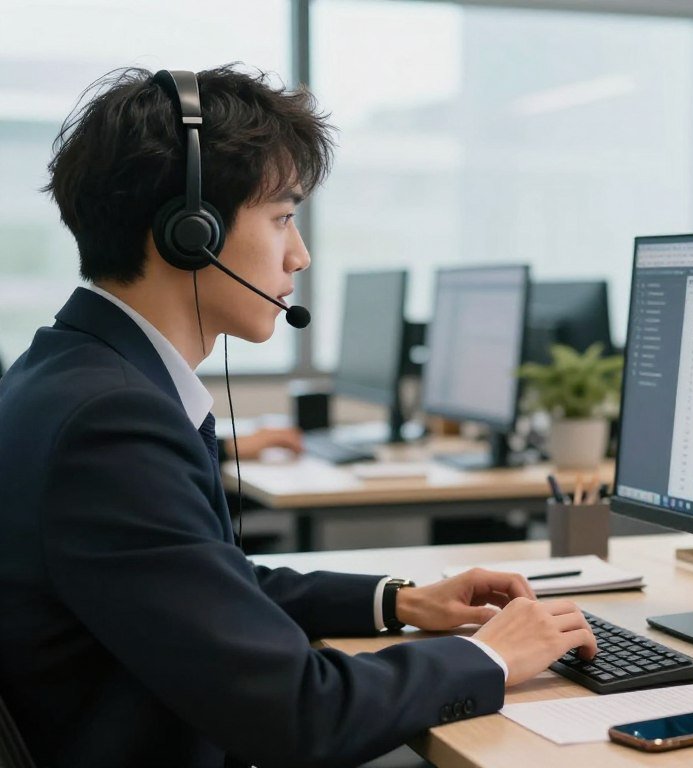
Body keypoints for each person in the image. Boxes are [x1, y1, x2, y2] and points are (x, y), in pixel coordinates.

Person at [0, 66, 596, 768]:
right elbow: (297, 712)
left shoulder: (71, 373)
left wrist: (400, 602)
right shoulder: (111, 423)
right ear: (190, 232)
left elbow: (206, 586)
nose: (299, 255)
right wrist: (489, 658)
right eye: (282, 217)